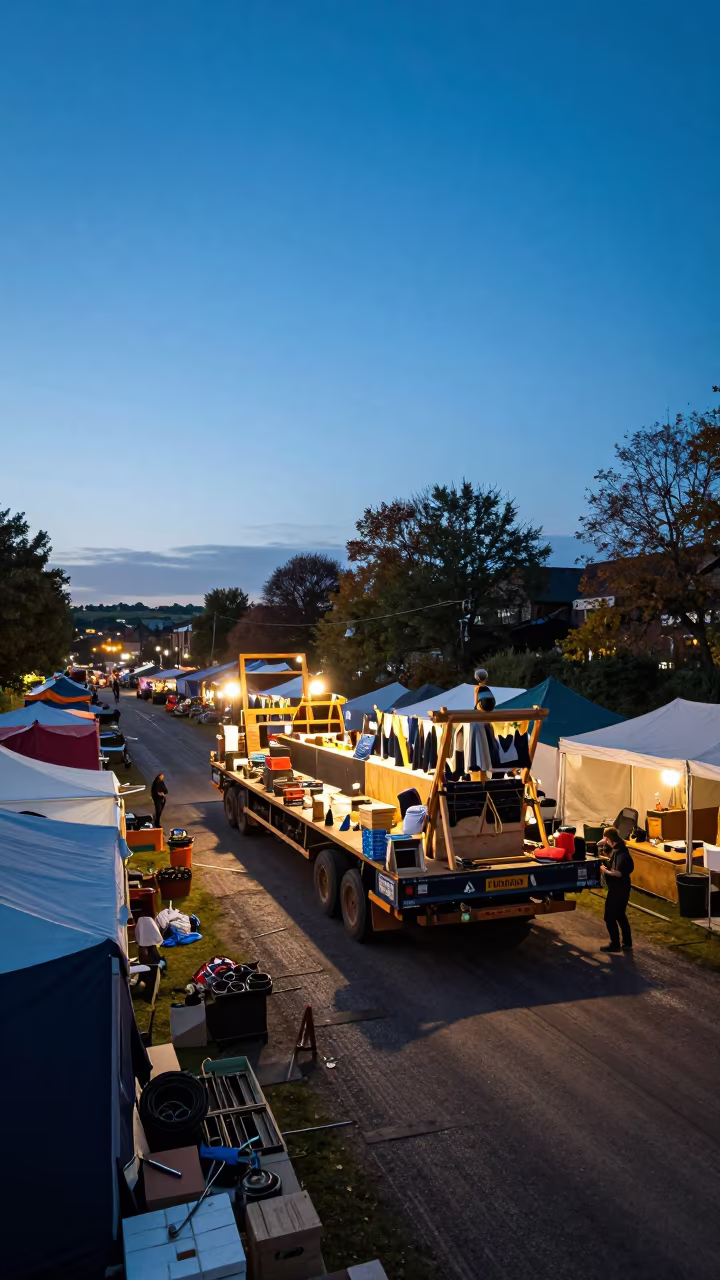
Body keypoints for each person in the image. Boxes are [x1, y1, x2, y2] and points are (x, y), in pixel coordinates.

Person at [598, 825, 634, 952]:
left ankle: (615, 944)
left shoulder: (620, 853)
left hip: (618, 889)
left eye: (605, 838)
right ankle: (627, 942)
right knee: (620, 914)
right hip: (624, 888)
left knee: (609, 917)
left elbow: (618, 873)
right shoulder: (622, 848)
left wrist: (604, 871)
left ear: (608, 839)